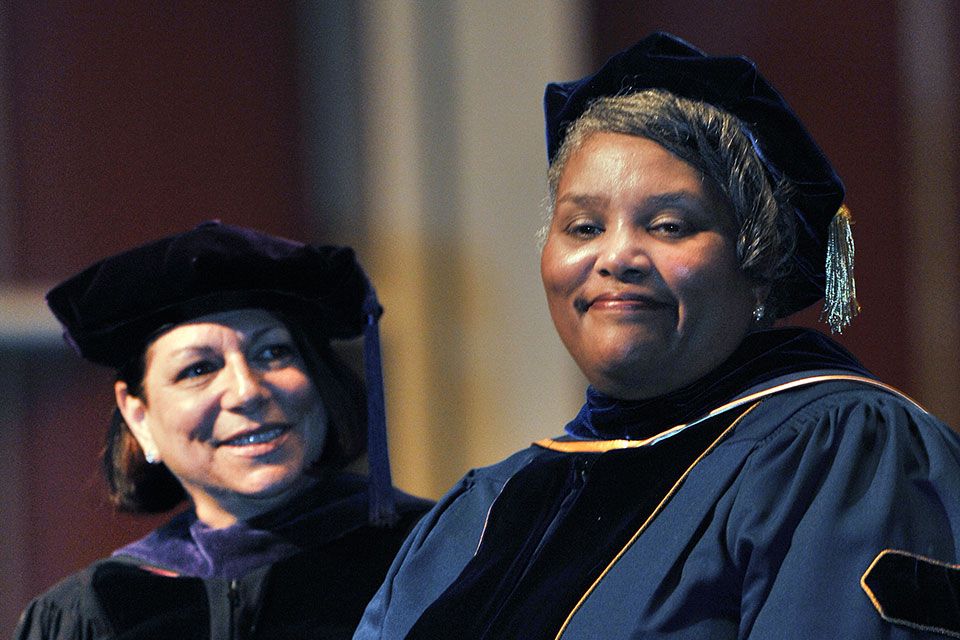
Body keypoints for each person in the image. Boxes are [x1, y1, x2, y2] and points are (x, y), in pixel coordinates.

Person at [354, 33, 960, 639]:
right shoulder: (485, 507)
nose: (617, 256)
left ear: (758, 266)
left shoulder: (839, 451)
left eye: (669, 226)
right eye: (583, 226)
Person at [14, 221, 431, 639]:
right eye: (198, 369)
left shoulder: (434, 560)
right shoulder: (92, 613)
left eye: (273, 352)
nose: (247, 391)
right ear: (139, 417)